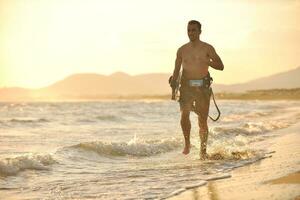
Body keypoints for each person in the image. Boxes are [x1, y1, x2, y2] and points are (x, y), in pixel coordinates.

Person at [171, 20, 224, 160]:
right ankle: (187, 143)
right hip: (186, 87)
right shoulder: (182, 50)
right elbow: (176, 70)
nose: (191, 33)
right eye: (189, 30)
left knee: (202, 120)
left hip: (202, 87)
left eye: (194, 30)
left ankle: (203, 151)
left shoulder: (208, 48)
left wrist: (209, 62)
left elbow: (221, 65)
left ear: (200, 31)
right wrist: (174, 84)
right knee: (184, 115)